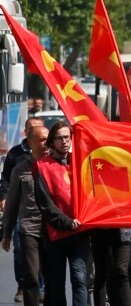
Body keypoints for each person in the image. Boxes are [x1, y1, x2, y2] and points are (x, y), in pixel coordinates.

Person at [33, 121, 89, 306]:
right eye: (59, 138)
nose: (64, 141)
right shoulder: (42, 166)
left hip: (79, 233)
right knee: (55, 284)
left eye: (67, 137)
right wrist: (66, 222)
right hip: (55, 235)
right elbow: (45, 204)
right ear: (52, 141)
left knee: (80, 278)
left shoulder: (81, 162)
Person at [1, 125, 48, 306]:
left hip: (54, 228)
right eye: (41, 139)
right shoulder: (19, 168)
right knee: (31, 275)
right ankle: (24, 289)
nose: (45, 143)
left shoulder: (59, 165)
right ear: (30, 141)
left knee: (53, 277)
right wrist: (7, 232)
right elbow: (12, 203)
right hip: (29, 226)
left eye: (47, 139)